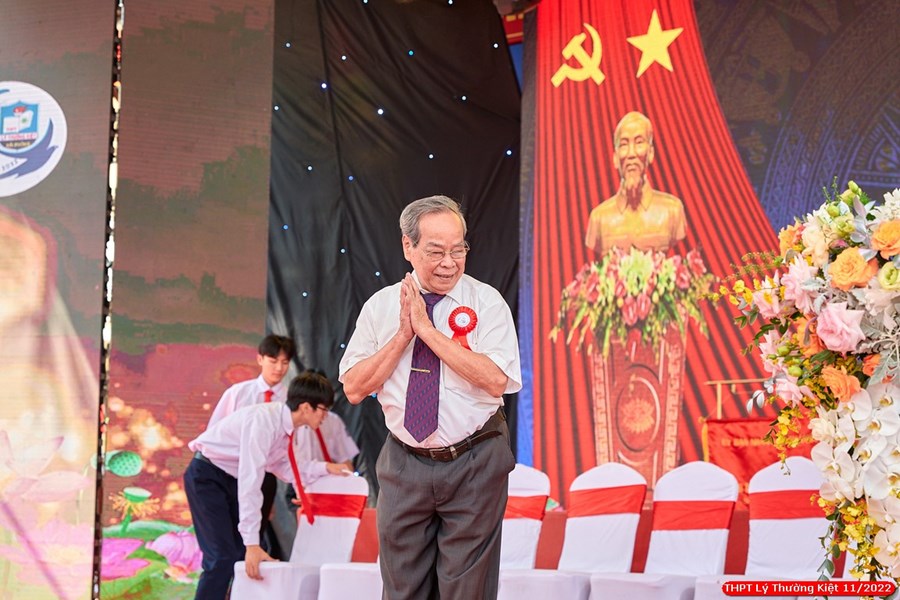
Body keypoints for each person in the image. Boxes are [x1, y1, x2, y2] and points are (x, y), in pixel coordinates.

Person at [340, 195, 522, 599]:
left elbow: (496, 380)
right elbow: (353, 388)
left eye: (459, 250)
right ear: (408, 246)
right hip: (404, 462)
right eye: (436, 251)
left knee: (466, 590)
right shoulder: (381, 306)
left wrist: (427, 331)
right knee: (401, 588)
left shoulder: (487, 302)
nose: (449, 263)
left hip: (475, 459)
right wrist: (403, 335)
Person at [184, 371, 348, 599]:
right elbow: (251, 482)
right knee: (221, 558)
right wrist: (252, 544)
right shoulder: (264, 422)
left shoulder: (286, 428)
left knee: (238, 557)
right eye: (324, 409)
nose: (325, 417)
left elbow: (287, 467)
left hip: (229, 478)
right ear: (306, 407)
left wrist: (326, 468)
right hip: (208, 476)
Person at [206, 334, 295, 559]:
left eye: (285, 362)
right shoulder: (238, 393)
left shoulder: (290, 400)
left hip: (266, 475)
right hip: (230, 473)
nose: (279, 368)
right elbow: (214, 432)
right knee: (224, 542)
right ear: (260, 359)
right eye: (273, 361)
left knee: (253, 542)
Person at [584, 111, 687, 256]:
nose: (631, 154)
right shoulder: (599, 219)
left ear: (650, 153)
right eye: (624, 144)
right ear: (615, 158)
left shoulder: (672, 211)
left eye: (639, 142)